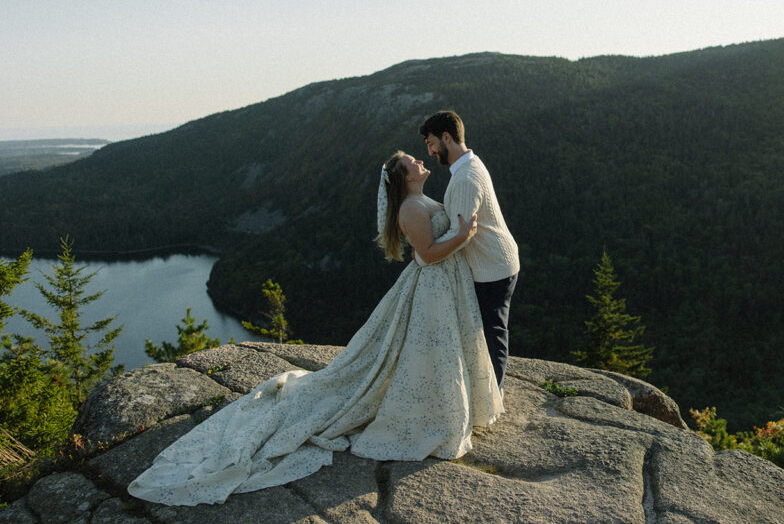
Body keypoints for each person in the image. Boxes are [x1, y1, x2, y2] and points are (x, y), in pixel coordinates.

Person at [127, 151, 503, 506]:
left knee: (432, 353)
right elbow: (427, 254)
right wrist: (462, 237)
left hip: (444, 288)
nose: (420, 161)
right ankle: (433, 413)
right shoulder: (410, 207)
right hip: (431, 288)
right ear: (403, 178)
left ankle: (444, 405)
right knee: (428, 352)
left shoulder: (420, 200)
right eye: (412, 161)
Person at [420, 111, 519, 388]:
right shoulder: (469, 165)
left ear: (446, 138)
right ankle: (486, 392)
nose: (429, 151)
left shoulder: (465, 178)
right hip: (493, 261)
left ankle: (494, 396)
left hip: (492, 266)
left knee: (492, 332)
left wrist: (425, 253)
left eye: (431, 143)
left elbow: (459, 234)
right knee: (487, 331)